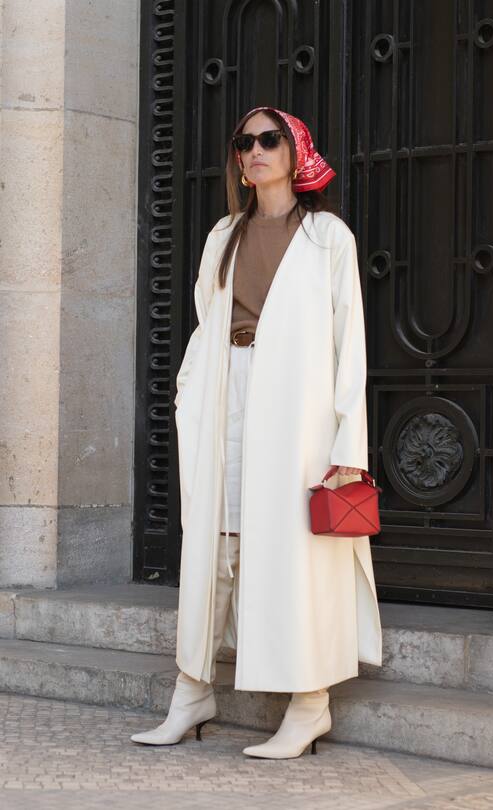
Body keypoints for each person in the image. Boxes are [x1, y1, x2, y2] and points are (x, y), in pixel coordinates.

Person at [131, 106, 382, 759]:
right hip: (228, 396)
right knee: (216, 544)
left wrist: (347, 444)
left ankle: (309, 706)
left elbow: (347, 343)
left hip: (296, 409)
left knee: (298, 549)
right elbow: (205, 322)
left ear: (296, 150)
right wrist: (191, 394)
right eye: (244, 142)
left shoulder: (328, 237)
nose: (255, 150)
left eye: (269, 139)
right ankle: (192, 691)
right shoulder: (224, 235)